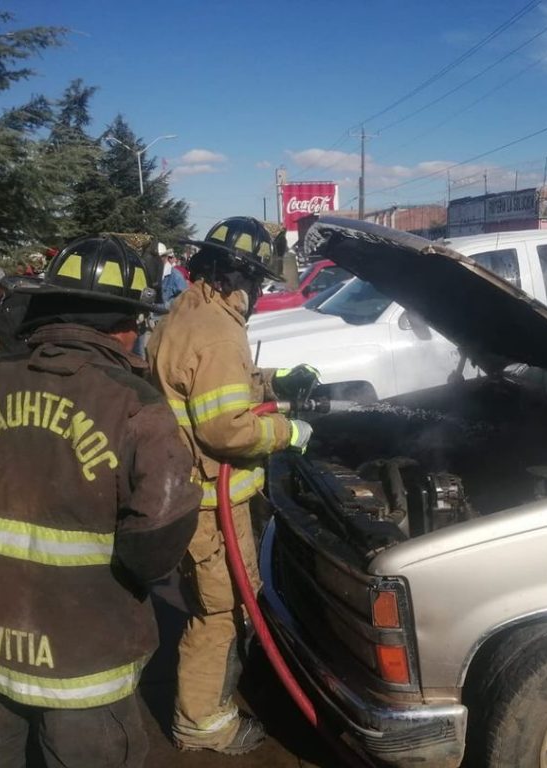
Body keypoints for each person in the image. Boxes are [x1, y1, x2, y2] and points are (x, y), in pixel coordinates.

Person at [0, 234, 202, 768]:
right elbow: (158, 533)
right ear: (125, 326)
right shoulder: (135, 405)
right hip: (84, 662)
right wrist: (123, 571)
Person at [147, 216, 319, 754]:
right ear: (238, 276)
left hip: (182, 493)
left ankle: (209, 703)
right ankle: (202, 722)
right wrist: (287, 431)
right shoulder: (220, 331)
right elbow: (226, 427)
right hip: (209, 506)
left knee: (215, 604)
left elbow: (212, 388)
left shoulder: (187, 311)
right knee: (222, 612)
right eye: (260, 282)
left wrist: (276, 382)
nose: (261, 292)